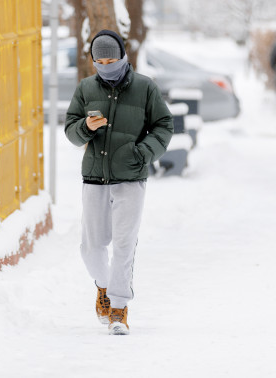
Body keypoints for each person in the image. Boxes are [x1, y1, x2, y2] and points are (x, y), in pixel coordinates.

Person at [65, 29, 173, 335]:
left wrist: (142, 153)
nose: (106, 64)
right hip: (95, 178)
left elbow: (163, 125)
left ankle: (119, 307)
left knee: (124, 244)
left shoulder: (144, 87)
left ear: (123, 56)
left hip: (130, 178)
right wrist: (85, 127)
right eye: (100, 60)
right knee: (91, 247)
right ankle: (103, 286)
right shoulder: (86, 88)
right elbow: (71, 130)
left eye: (111, 58)